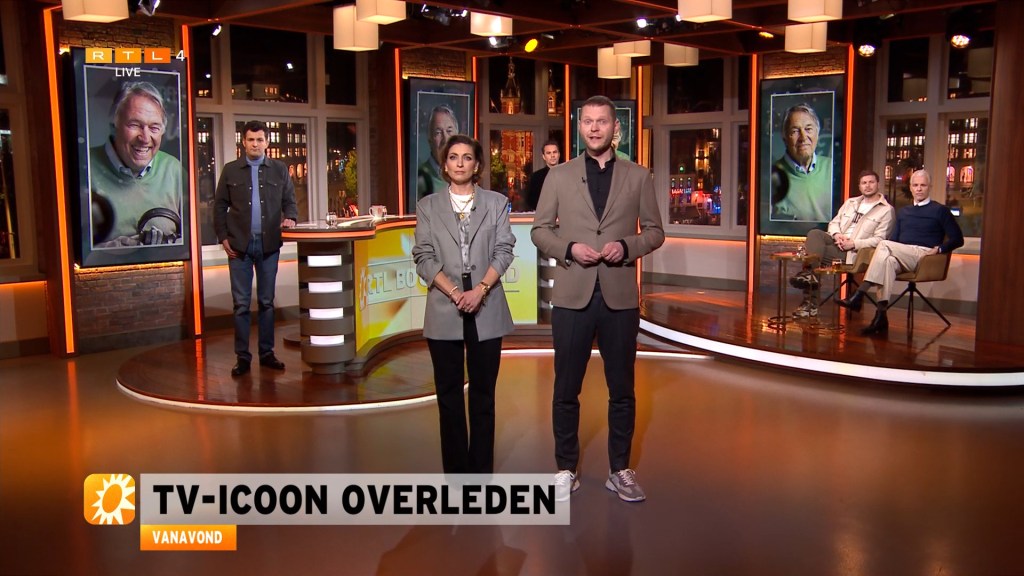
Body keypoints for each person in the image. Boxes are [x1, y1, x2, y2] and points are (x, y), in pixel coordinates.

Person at [531, 95, 665, 502]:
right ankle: (565, 469)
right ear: (579, 127)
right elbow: (539, 230)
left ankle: (619, 469)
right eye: (587, 121)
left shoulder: (638, 176)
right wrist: (569, 248)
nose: (593, 128)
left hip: (619, 298)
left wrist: (625, 247)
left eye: (601, 121)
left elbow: (655, 232)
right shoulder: (559, 176)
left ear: (615, 127)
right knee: (565, 389)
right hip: (572, 295)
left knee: (622, 389)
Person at [412, 134, 516, 474]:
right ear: (444, 165)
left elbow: (504, 250)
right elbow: (423, 256)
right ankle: (456, 475)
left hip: (487, 305)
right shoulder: (428, 207)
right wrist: (455, 292)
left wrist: (480, 289)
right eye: (453, 157)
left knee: (484, 396)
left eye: (467, 157)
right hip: (445, 306)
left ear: (477, 164)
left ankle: (481, 472)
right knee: (449, 395)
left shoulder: (496, 203)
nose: (460, 163)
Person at [213, 120, 298, 377]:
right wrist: (223, 237)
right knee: (240, 304)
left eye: (260, 140)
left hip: (269, 245)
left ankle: (267, 353)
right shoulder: (230, 170)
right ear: (243, 142)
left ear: (267, 143)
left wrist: (290, 218)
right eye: (251, 140)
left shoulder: (279, 169)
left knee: (266, 302)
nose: (255, 144)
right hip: (239, 246)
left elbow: (290, 201)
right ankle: (242, 358)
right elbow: (219, 206)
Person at [837, 169, 964, 336]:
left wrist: (939, 249)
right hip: (902, 254)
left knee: (884, 244)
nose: (919, 189)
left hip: (924, 256)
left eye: (923, 185)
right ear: (910, 188)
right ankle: (881, 317)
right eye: (915, 185)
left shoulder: (940, 210)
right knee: (888, 262)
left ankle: (860, 294)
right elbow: (895, 240)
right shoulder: (904, 212)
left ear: (930, 187)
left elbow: (958, 239)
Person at [789, 169, 895, 318]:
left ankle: (810, 303)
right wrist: (837, 235)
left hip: (854, 253)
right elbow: (834, 223)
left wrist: (854, 244)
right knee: (814, 233)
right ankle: (809, 279)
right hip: (836, 242)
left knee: (813, 258)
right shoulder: (850, 203)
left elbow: (880, 239)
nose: (868, 185)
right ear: (859, 186)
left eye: (871, 182)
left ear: (878, 184)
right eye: (864, 183)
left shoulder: (886, 210)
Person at [89, 81, 183, 248]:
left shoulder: (173, 169)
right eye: (134, 125)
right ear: (114, 126)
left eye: (154, 128)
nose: (145, 138)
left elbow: (190, 240)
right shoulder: (85, 168)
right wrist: (120, 249)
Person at [771, 103, 833, 222]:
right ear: (785, 138)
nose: (803, 137)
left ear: (817, 134)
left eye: (808, 129)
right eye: (795, 131)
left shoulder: (832, 168)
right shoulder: (772, 175)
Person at [416, 105, 460, 200]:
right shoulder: (420, 177)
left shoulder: (464, 174)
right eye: (438, 132)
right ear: (430, 139)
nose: (445, 139)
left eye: (449, 131)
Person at [526, 139, 561, 211]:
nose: (552, 155)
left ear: (559, 154)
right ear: (544, 157)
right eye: (548, 153)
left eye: (555, 152)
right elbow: (531, 201)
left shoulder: (567, 175)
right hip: (543, 215)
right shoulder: (536, 177)